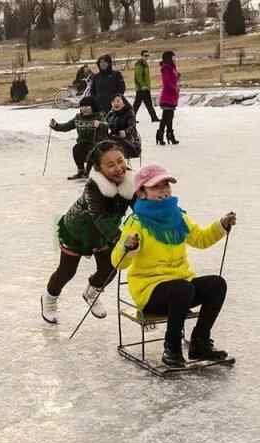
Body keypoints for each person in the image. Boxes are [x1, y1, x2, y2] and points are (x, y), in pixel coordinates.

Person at [112, 164, 237, 368]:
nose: (164, 190)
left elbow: (201, 239)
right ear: (142, 193)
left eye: (166, 185)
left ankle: (200, 342)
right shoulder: (136, 222)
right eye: (156, 187)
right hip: (150, 291)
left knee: (217, 284)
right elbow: (117, 262)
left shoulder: (178, 216)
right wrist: (128, 247)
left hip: (180, 288)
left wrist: (221, 226)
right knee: (182, 288)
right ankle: (171, 349)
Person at [41, 141, 136, 324]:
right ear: (99, 169)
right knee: (67, 271)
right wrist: (120, 239)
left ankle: (91, 292)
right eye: (110, 165)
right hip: (77, 231)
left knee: (109, 268)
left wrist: (158, 217)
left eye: (120, 161)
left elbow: (140, 206)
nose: (118, 168)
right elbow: (100, 218)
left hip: (102, 234)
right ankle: (49, 298)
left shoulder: (130, 182)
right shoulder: (94, 188)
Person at [49, 96, 109, 180]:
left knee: (93, 151)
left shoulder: (99, 116)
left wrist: (100, 124)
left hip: (97, 143)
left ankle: (92, 172)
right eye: (82, 106)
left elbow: (107, 126)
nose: (84, 109)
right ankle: (81, 171)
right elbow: (66, 127)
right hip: (83, 143)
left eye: (87, 106)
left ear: (93, 107)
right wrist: (55, 125)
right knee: (76, 148)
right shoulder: (78, 117)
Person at [106, 94, 141, 160]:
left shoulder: (129, 113)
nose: (115, 103)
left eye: (118, 101)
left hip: (129, 139)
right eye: (113, 102)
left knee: (118, 144)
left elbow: (132, 127)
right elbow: (105, 124)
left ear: (124, 102)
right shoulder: (111, 114)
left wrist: (125, 132)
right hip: (114, 138)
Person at [157, 51, 180, 146]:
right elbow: (167, 82)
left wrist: (178, 77)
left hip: (172, 95)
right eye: (173, 57)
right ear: (169, 58)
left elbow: (173, 79)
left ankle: (170, 135)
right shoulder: (166, 68)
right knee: (166, 117)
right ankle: (160, 134)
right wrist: (175, 89)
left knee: (170, 117)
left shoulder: (172, 67)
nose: (175, 58)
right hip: (167, 95)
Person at [133, 50, 160, 123]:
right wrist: (143, 85)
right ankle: (131, 119)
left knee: (148, 104)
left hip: (146, 88)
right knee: (137, 105)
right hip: (141, 88)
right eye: (145, 55)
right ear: (141, 56)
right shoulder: (139, 64)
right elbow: (138, 77)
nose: (146, 57)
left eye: (147, 55)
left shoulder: (145, 64)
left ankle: (154, 118)